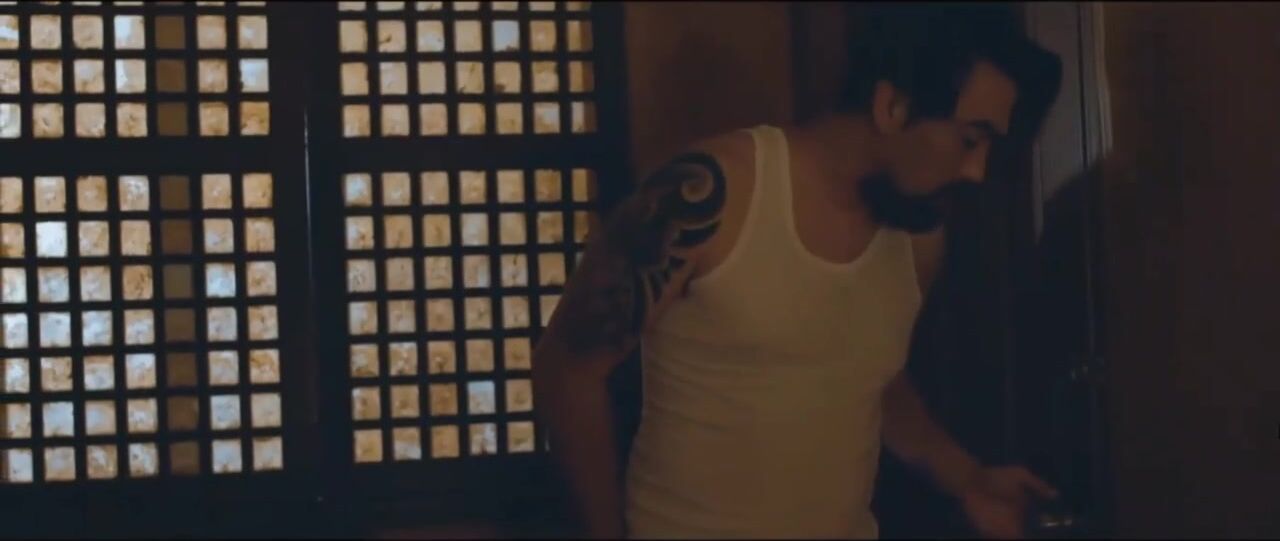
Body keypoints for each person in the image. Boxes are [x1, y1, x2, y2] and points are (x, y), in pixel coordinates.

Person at [533, 3, 1064, 539]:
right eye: (970, 140)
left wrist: (966, 477)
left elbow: (868, 377)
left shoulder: (919, 238)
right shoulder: (711, 195)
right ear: (893, 107)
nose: (975, 170)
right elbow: (569, 370)